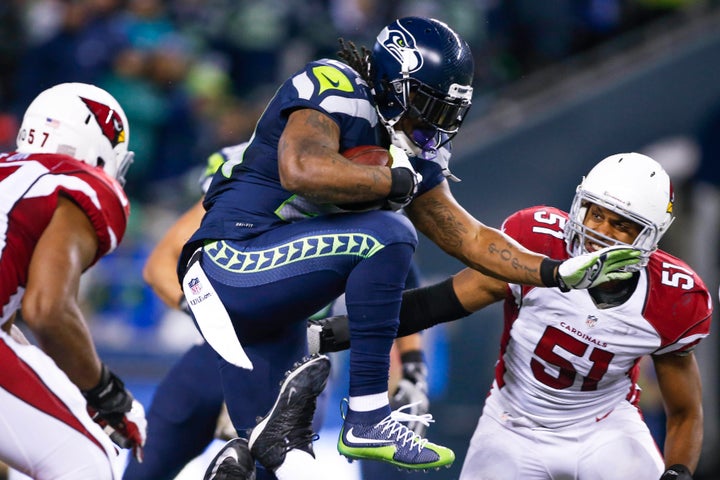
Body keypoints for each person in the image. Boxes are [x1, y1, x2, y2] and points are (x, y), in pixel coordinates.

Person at [178, 16, 640, 476]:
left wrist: (555, 271)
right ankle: (367, 414)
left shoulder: (411, 146)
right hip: (232, 259)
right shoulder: (334, 85)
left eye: (447, 111)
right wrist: (389, 180)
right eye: (425, 103)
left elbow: (470, 238)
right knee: (391, 233)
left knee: (279, 459)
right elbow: (301, 168)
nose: (433, 121)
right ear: (391, 79)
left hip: (278, 302)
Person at [315, 152, 711, 479]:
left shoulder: (673, 300)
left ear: (649, 237)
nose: (600, 232)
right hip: (511, 424)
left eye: (621, 225)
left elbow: (686, 410)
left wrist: (678, 472)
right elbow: (435, 304)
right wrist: (330, 334)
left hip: (605, 429)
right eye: (595, 214)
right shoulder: (536, 246)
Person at [126, 142, 431, 480]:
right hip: (223, 359)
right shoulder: (258, 171)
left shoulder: (377, 196)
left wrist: (412, 372)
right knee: (144, 472)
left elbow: (397, 300)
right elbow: (160, 266)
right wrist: (219, 323)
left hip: (297, 370)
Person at [0, 82, 147, 479]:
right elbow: (47, 310)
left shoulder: (7, 172)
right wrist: (107, 394)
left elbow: (9, 322)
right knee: (89, 462)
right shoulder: (81, 182)